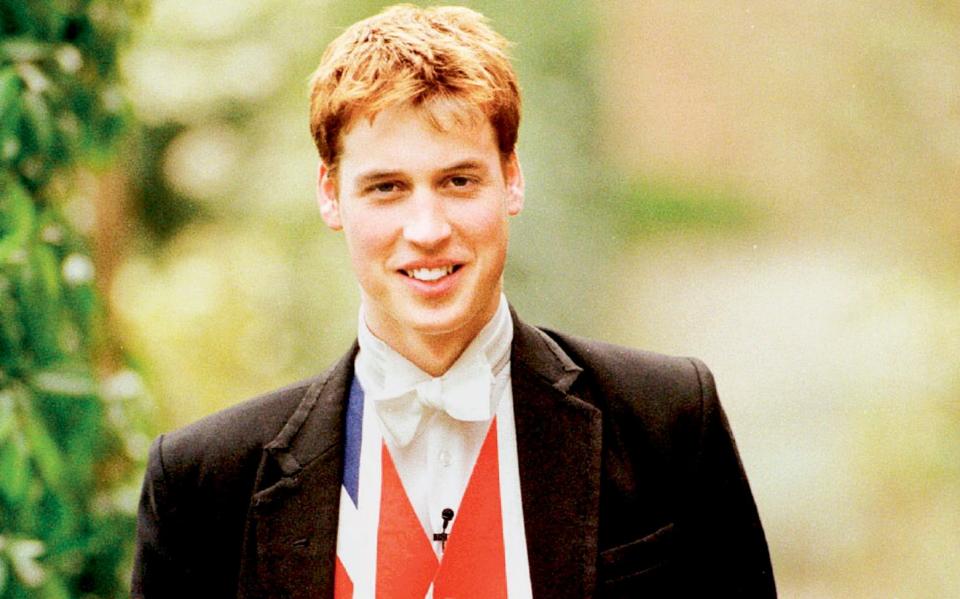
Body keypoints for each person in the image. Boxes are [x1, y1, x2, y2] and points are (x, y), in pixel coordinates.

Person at [131, 5, 776, 598]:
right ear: (330, 195)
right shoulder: (202, 485)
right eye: (386, 188)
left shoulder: (666, 421)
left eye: (458, 180)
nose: (428, 228)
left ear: (511, 179)